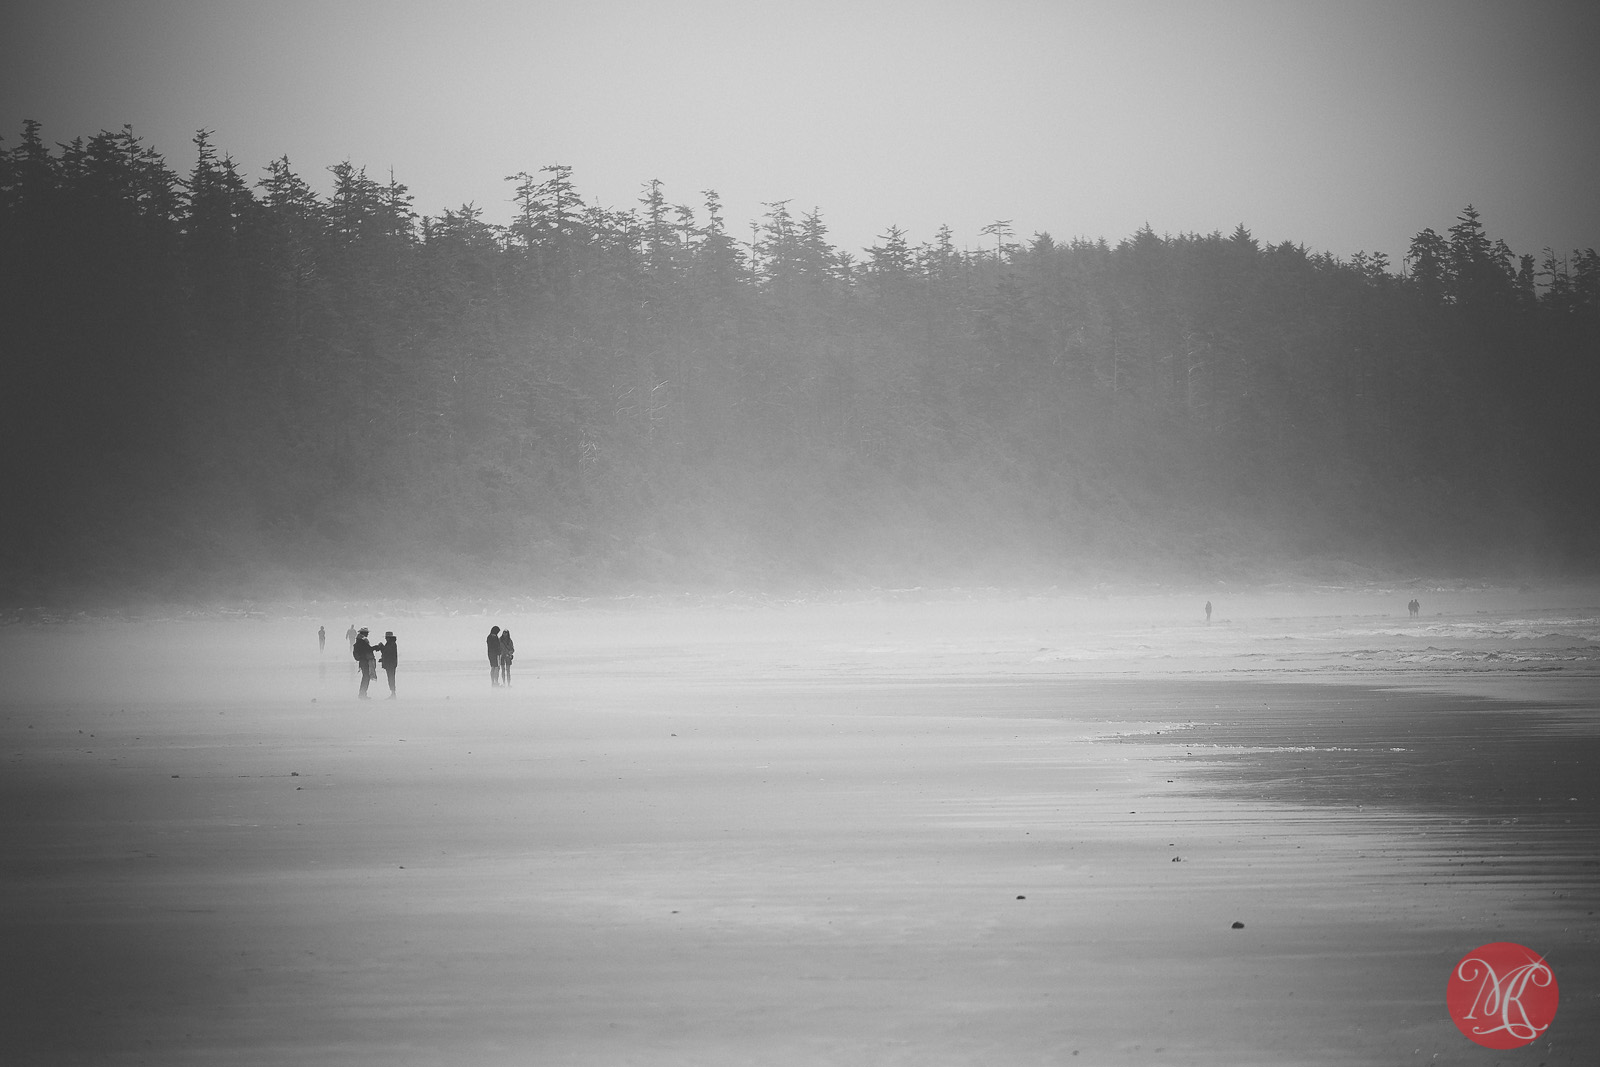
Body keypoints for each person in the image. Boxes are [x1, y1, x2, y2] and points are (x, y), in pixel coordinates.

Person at [353, 627, 378, 698]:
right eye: (367, 633)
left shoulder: (360, 640)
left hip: (363, 661)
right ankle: (362, 694)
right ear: (363, 633)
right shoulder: (362, 641)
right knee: (366, 677)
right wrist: (375, 647)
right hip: (365, 661)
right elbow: (367, 649)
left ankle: (362, 693)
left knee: (365, 677)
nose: (368, 634)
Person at [377, 631, 398, 698]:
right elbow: (387, 653)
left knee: (391, 678)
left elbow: (387, 652)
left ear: (389, 638)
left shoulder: (392, 644)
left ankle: (393, 693)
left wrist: (382, 647)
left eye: (386, 637)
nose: (385, 638)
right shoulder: (391, 643)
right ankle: (393, 693)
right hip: (391, 663)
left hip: (391, 664)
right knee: (390, 678)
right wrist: (382, 659)